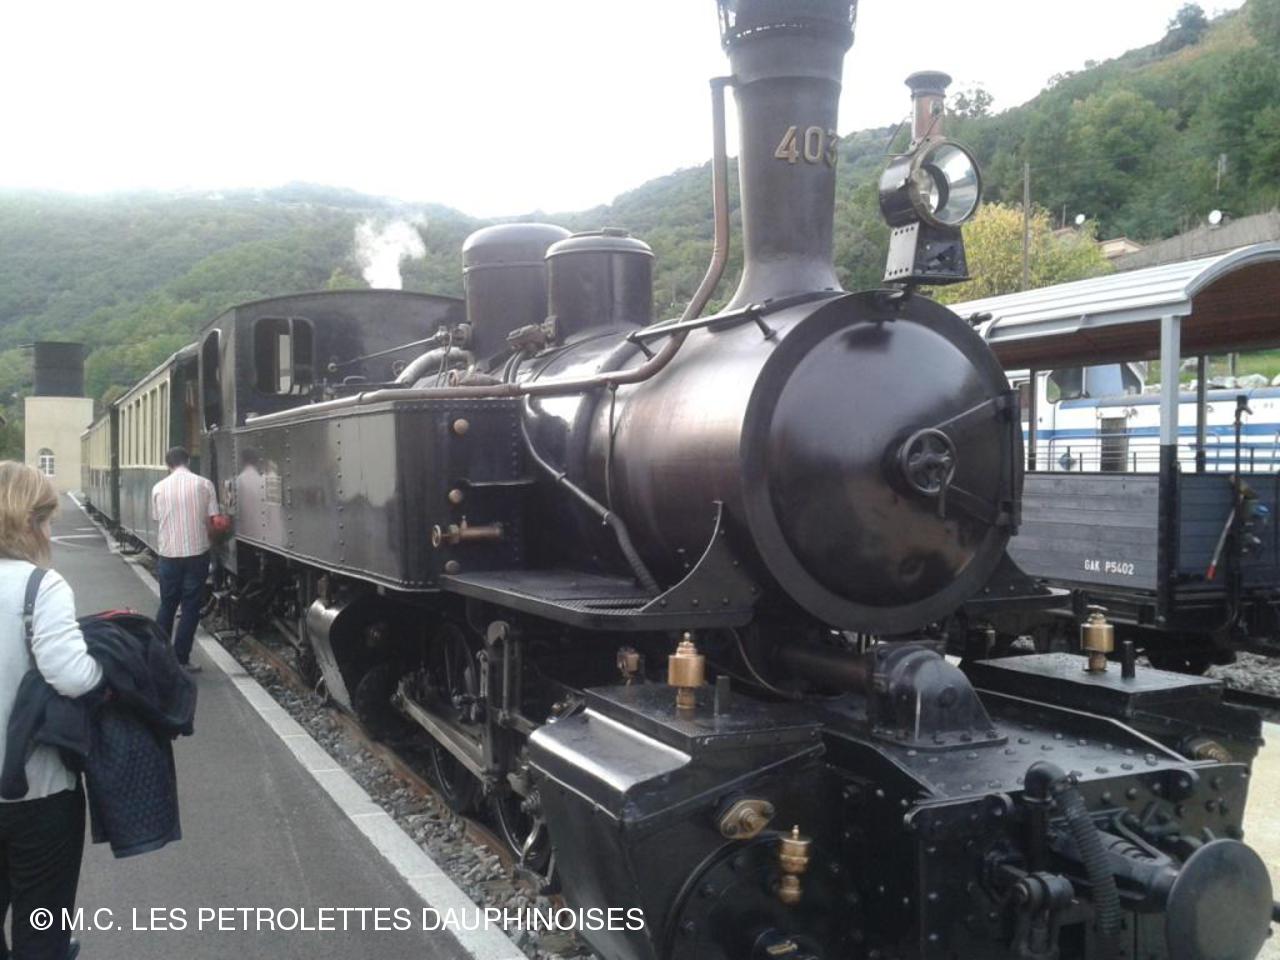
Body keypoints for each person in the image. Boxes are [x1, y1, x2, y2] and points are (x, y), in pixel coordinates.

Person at [0, 461, 102, 960]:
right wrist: (104, 671)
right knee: (42, 925)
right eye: (47, 521)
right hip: (37, 790)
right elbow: (72, 676)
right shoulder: (41, 586)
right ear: (29, 521)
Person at [151, 447, 219, 673]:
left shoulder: (158, 488)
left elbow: (157, 518)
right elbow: (212, 520)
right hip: (197, 554)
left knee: (167, 605)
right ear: (188, 461)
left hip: (168, 554)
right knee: (190, 607)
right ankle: (181, 659)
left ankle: (159, 659)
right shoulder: (204, 484)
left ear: (168, 464)